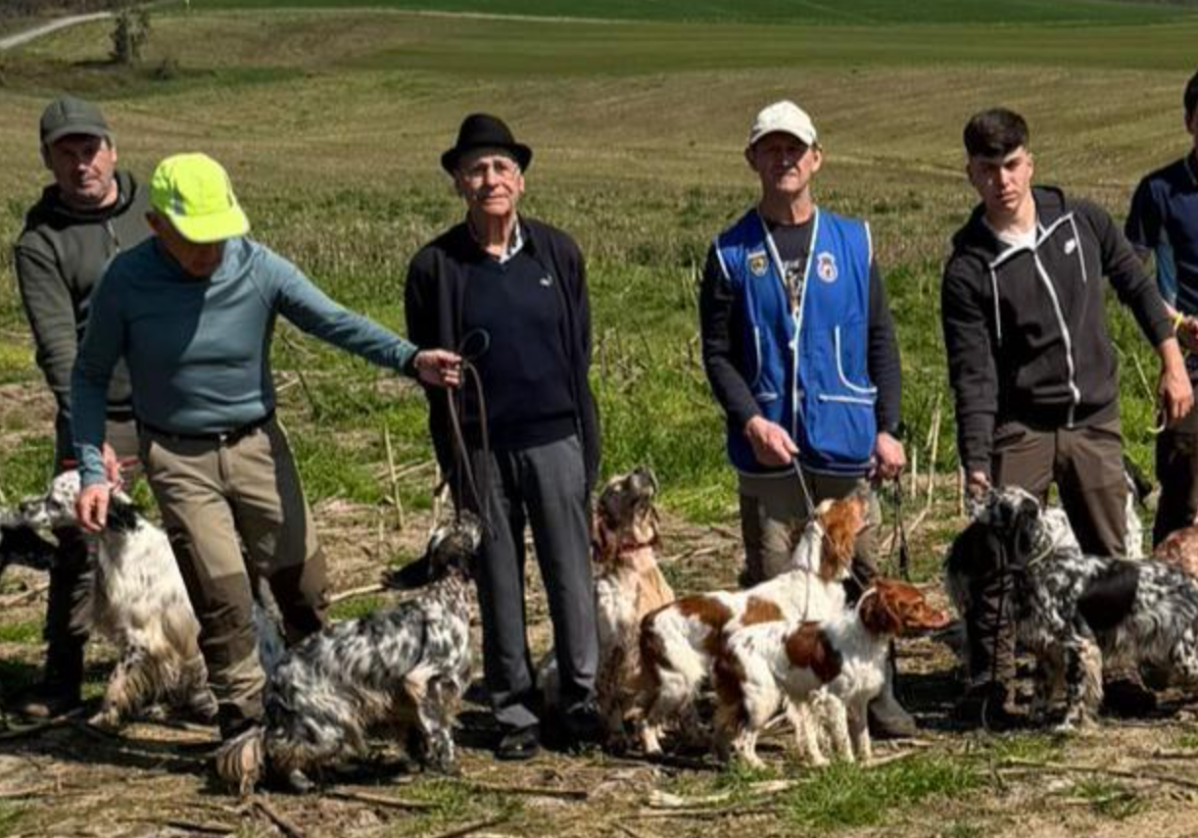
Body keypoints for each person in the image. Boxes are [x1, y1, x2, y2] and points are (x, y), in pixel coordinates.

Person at [70, 152, 461, 758]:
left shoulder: (256, 267)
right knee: (222, 595)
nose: (213, 251)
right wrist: (92, 470)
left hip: (257, 445)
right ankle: (249, 727)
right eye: (198, 240)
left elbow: (334, 320)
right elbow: (90, 375)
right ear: (157, 227)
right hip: (179, 455)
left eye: (223, 234)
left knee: (303, 584)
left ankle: (327, 693)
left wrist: (411, 360)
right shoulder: (127, 281)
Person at [942, 107, 1193, 726]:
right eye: (988, 169)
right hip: (1019, 425)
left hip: (1093, 417)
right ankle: (992, 687)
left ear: (1030, 161)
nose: (1003, 180)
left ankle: (1114, 674)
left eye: (1012, 164)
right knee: (1000, 559)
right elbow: (971, 373)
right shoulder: (968, 268)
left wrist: (1173, 361)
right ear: (971, 174)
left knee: (1109, 551)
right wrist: (977, 461)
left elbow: (1137, 286)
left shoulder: (1081, 221)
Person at [698, 100, 912, 737]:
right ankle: (788, 703)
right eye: (771, 148)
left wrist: (889, 425)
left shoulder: (853, 240)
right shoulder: (730, 252)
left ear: (816, 159)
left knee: (865, 578)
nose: (784, 159)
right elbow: (717, 353)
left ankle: (877, 695)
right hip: (770, 450)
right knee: (777, 585)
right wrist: (749, 421)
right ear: (753, 160)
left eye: (796, 148)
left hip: (847, 442)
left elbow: (880, 339)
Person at [405, 113, 602, 760]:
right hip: (479, 446)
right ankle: (514, 709)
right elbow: (425, 361)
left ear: (519, 179)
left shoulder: (557, 252)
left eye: (501, 167)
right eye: (477, 169)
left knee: (571, 573)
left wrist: (583, 436)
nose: (491, 179)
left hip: (555, 437)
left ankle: (579, 699)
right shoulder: (435, 266)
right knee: (497, 576)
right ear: (459, 182)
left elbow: (580, 351)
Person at [12, 95, 151, 719]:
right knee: (81, 542)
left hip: (174, 404)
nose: (81, 165)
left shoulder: (154, 209)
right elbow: (57, 347)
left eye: (89, 149)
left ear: (112, 150)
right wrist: (90, 439)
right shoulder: (41, 242)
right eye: (65, 153)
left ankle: (206, 665)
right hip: (100, 409)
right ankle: (62, 681)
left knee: (199, 532)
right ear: (47, 160)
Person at [1126, 70, 1198, 547]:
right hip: (1188, 362)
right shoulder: (1160, 191)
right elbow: (1129, 274)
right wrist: (1174, 324)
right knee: (1182, 487)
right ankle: (1169, 607)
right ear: (1190, 121)